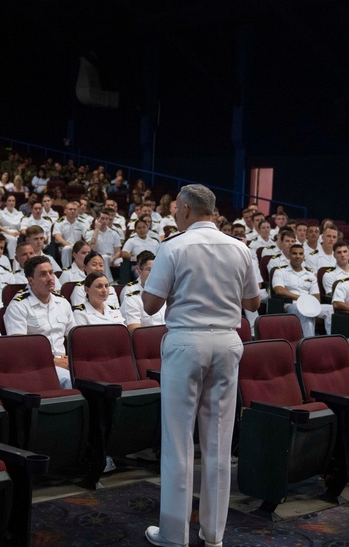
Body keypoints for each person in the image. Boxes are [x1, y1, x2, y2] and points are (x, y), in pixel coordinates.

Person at [141, 184, 260, 547]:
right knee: (219, 445)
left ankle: (174, 534)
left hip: (187, 342)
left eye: (178, 209)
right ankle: (214, 535)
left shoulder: (174, 246)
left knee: (178, 442)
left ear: (188, 210)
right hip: (226, 342)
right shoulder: (240, 248)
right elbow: (253, 303)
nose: (175, 214)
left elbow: (148, 305)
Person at [4, 255, 76, 388]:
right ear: (31, 281)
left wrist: (73, 361)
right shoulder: (18, 306)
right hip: (37, 366)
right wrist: (52, 362)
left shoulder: (63, 303)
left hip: (64, 362)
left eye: (51, 273)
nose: (50, 278)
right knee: (72, 381)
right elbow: (18, 348)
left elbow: (75, 338)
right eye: (43, 274)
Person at [271, 244, 323, 337]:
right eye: (294, 253)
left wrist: (308, 302)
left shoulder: (310, 274)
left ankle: (334, 342)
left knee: (330, 310)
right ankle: (310, 344)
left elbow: (316, 296)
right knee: (304, 311)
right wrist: (301, 298)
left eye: (300, 254)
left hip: (309, 304)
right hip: (291, 304)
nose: (298, 256)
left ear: (304, 257)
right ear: (289, 255)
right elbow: (279, 290)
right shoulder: (280, 271)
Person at [121, 251, 165, 330]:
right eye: (149, 270)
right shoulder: (132, 299)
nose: (154, 274)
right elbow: (135, 333)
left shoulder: (168, 295)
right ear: (139, 272)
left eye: (157, 270)